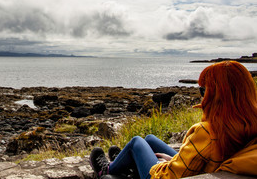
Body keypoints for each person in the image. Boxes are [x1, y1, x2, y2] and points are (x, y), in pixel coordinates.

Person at [89, 61, 257, 179]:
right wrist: (175, 160)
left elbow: (167, 176)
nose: (202, 95)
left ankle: (107, 169)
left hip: (167, 176)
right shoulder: (249, 122)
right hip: (203, 169)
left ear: (216, 95)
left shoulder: (207, 131)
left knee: (136, 142)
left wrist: (163, 164)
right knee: (150, 139)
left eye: (203, 90)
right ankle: (126, 160)